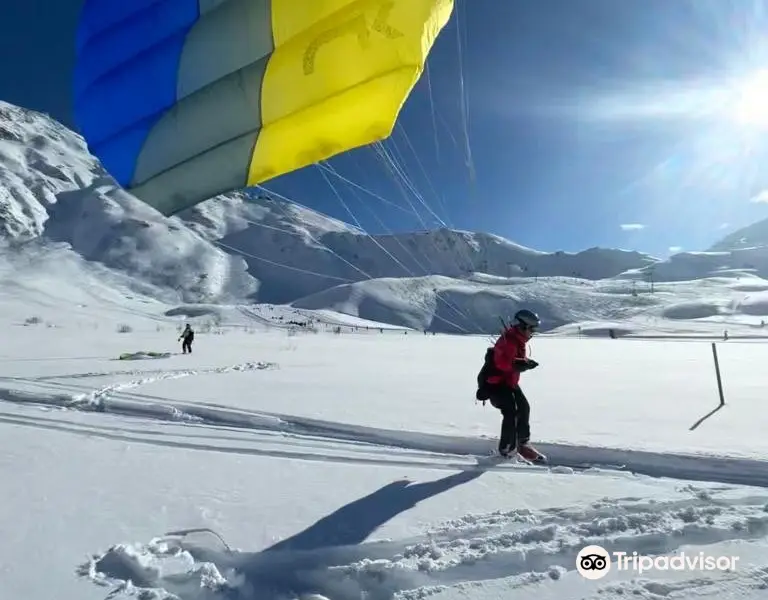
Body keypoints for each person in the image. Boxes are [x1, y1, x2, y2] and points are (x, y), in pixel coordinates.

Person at [483, 309, 544, 461]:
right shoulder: (508, 340)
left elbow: (512, 362)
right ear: (523, 327)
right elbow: (502, 363)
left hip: (509, 382)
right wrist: (520, 364)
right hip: (497, 383)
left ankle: (523, 444)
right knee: (511, 411)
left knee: (524, 407)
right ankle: (507, 449)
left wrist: (523, 363)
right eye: (532, 329)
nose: (533, 332)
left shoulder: (518, 339)